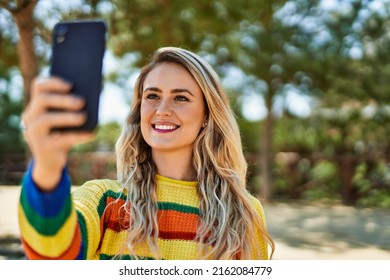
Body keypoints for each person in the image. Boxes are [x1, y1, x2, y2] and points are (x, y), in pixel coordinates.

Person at [18, 46, 275, 260]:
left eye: (181, 98)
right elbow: (52, 256)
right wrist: (48, 168)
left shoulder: (243, 212)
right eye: (152, 96)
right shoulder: (106, 201)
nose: (162, 110)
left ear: (207, 115)